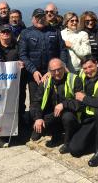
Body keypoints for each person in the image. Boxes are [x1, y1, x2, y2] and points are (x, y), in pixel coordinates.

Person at [18, 8, 69, 139]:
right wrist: (33, 71)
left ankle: (52, 127)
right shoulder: (26, 33)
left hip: (53, 72)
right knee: (36, 100)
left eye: (42, 16)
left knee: (53, 99)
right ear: (32, 18)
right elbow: (22, 54)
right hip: (34, 74)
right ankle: (37, 127)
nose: (40, 19)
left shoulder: (54, 31)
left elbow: (62, 50)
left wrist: (57, 68)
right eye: (37, 17)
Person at [30, 58, 82, 149]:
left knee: (67, 117)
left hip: (69, 112)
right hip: (53, 113)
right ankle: (56, 136)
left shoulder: (74, 79)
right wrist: (38, 118)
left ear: (64, 68)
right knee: (37, 132)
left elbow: (80, 102)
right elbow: (36, 102)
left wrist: (64, 105)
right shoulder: (45, 82)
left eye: (59, 69)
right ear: (49, 71)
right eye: (54, 70)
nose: (57, 73)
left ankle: (68, 141)